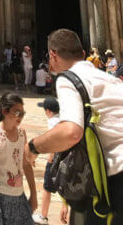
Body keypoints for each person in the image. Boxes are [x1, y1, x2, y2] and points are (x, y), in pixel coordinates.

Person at [25, 28, 123, 224]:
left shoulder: (68, 78)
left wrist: (33, 147)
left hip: (114, 180)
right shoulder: (111, 81)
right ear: (84, 54)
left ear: (52, 55)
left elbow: (71, 132)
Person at [0, 91, 37, 224]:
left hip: (19, 196)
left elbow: (26, 164)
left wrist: (34, 195)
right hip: (0, 198)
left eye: (22, 113)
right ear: (4, 112)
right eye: (17, 112)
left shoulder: (21, 134)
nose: (21, 117)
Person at [32, 96, 60, 225]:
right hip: (67, 159)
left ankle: (43, 216)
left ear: (48, 111)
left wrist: (51, 159)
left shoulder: (52, 121)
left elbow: (53, 141)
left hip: (56, 159)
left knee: (47, 188)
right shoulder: (62, 119)